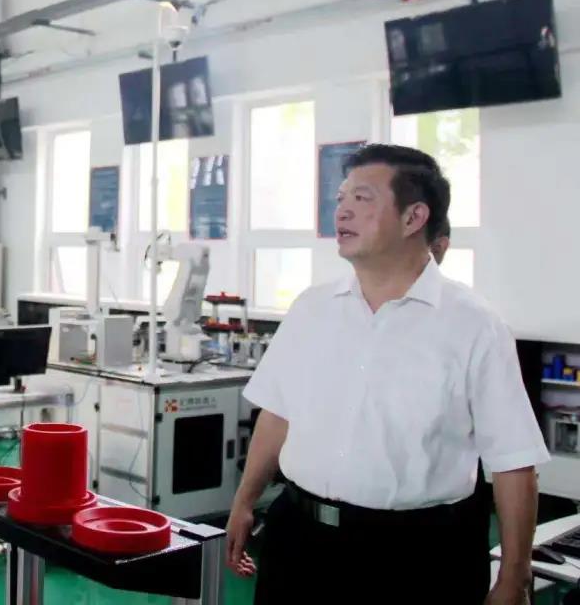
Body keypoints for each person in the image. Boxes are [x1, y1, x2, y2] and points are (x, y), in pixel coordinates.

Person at [226, 144, 548, 605]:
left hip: (417, 557)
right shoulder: (311, 309)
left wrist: (514, 577)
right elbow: (278, 414)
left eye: (362, 198)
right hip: (300, 542)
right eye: (341, 198)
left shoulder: (473, 325)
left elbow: (514, 461)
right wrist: (244, 501)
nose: (342, 211)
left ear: (414, 217)